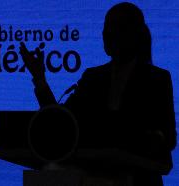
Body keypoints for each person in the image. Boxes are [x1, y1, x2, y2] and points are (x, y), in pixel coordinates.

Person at [19, 2, 176, 185]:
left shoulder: (156, 79)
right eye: (105, 29)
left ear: (133, 35)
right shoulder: (92, 78)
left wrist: (140, 141)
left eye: (114, 28)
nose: (106, 35)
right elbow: (61, 126)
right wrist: (39, 79)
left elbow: (169, 138)